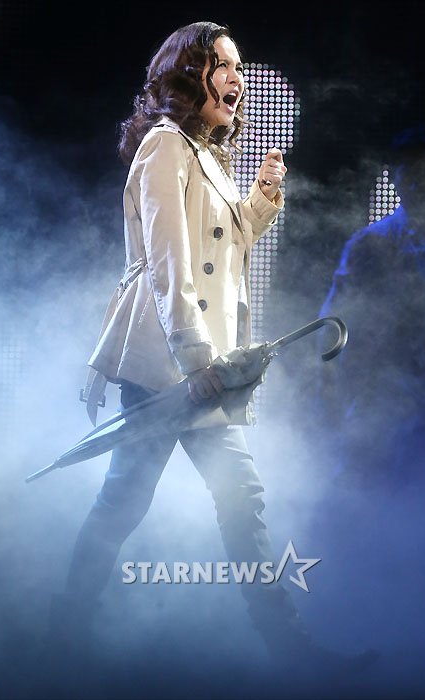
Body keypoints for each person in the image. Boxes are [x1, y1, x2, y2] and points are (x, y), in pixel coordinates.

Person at [47, 21, 375, 678]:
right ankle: (64, 636)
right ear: (186, 73)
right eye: (222, 64)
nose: (237, 79)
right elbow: (170, 265)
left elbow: (223, 249)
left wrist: (262, 197)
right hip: (168, 362)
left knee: (211, 498)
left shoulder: (204, 153)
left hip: (201, 364)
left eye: (239, 67)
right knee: (136, 501)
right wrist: (194, 359)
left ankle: (285, 648)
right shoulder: (165, 146)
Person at [314, 123, 425, 487]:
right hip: (381, 405)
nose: (419, 183)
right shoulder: (369, 245)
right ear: (395, 179)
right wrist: (333, 394)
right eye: (409, 172)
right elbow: (333, 322)